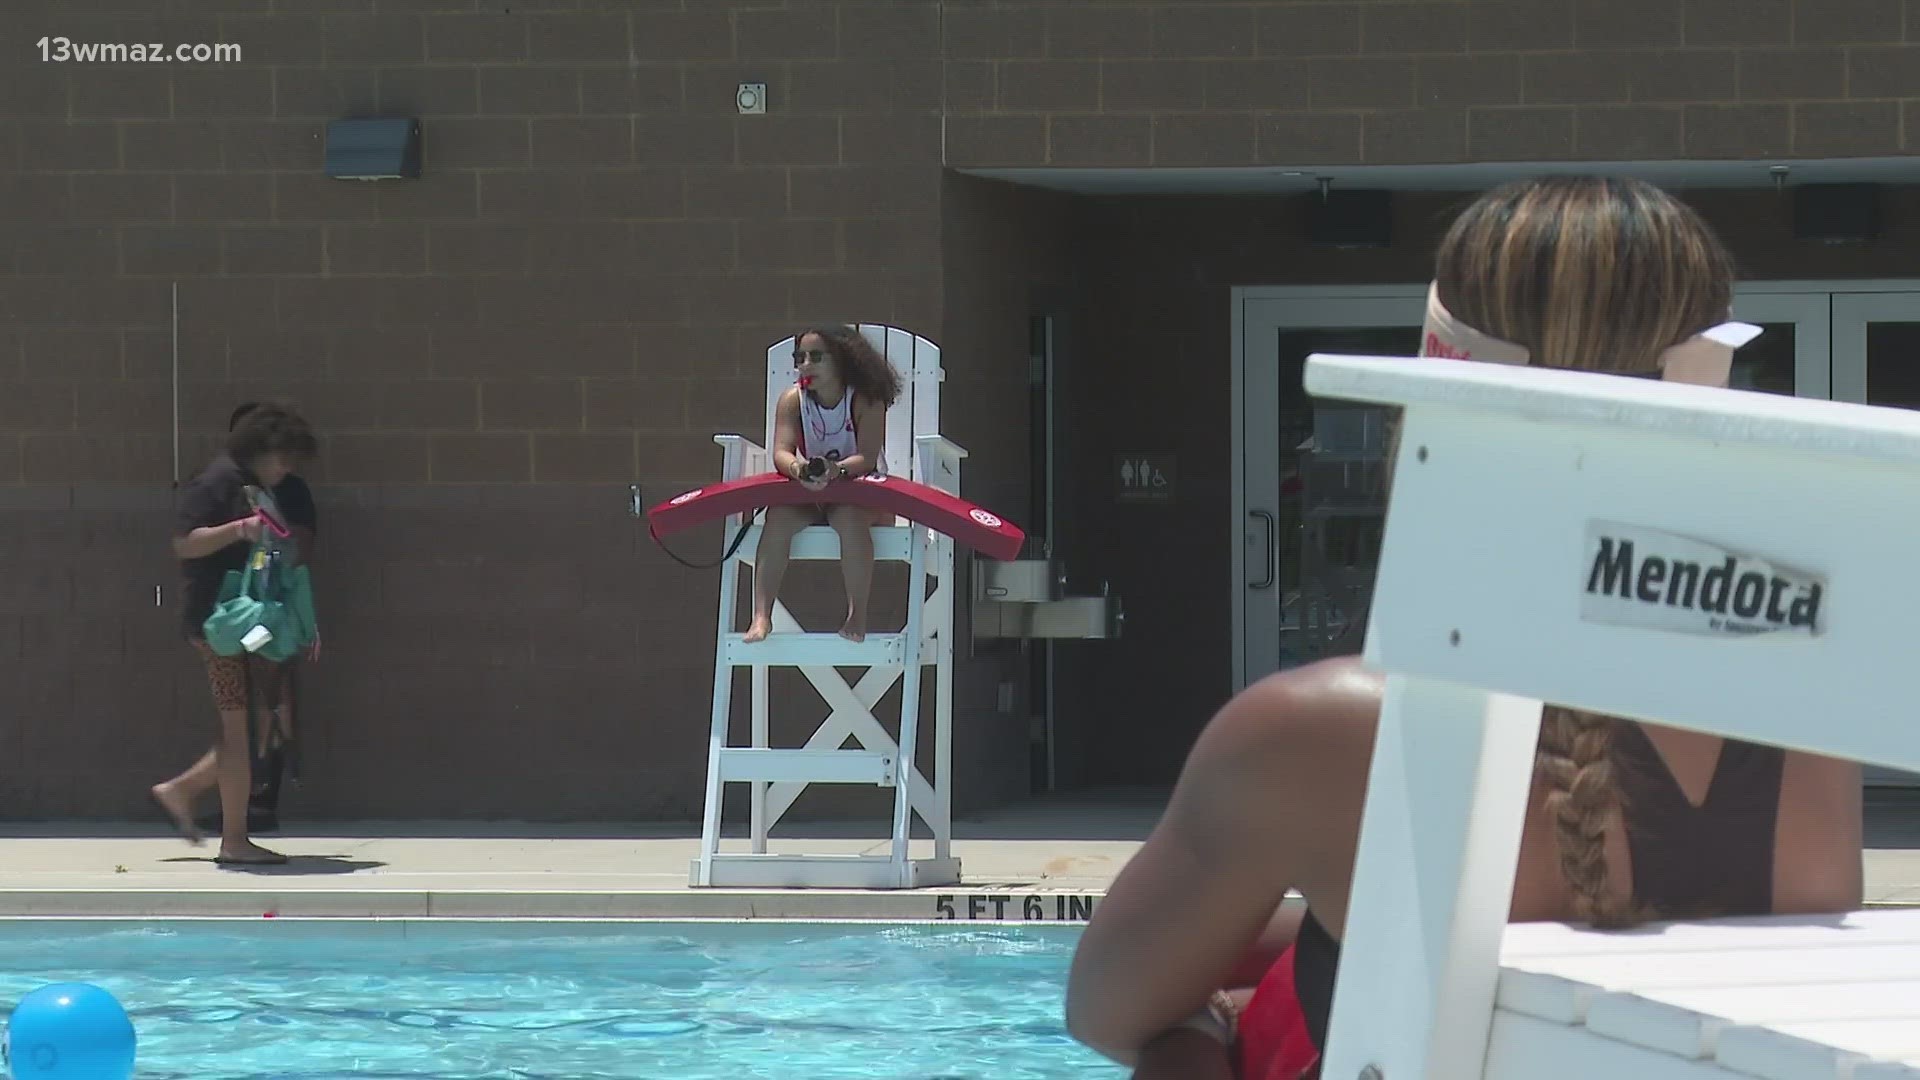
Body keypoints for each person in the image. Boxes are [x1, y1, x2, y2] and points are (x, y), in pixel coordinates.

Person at [1063, 176, 1866, 1080]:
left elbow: (1107, 1008)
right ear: (1708, 396)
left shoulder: (1314, 733)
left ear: (1437, 378)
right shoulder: (1799, 727)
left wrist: (1210, 1026)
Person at [150, 401, 319, 866]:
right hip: (218, 623)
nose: (287, 469)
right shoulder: (217, 482)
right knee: (239, 729)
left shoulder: (255, 485)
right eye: (283, 458)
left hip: (248, 622)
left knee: (248, 726)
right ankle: (234, 838)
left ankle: (196, 804)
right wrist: (239, 529)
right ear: (261, 449)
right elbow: (185, 542)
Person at [194, 402, 321, 836]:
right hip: (233, 614)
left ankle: (261, 802)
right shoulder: (226, 487)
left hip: (270, 612)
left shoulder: (288, 489)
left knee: (272, 704)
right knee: (240, 710)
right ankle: (229, 805)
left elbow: (301, 549)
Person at [743, 324, 903, 644]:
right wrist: (799, 469)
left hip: (865, 494)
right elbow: (781, 452)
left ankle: (857, 616)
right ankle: (761, 617)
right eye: (799, 357)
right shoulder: (792, 400)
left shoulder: (865, 399)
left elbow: (867, 458)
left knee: (847, 517)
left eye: (816, 357)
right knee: (777, 518)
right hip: (814, 491)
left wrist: (835, 472)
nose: (805, 365)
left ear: (842, 360)